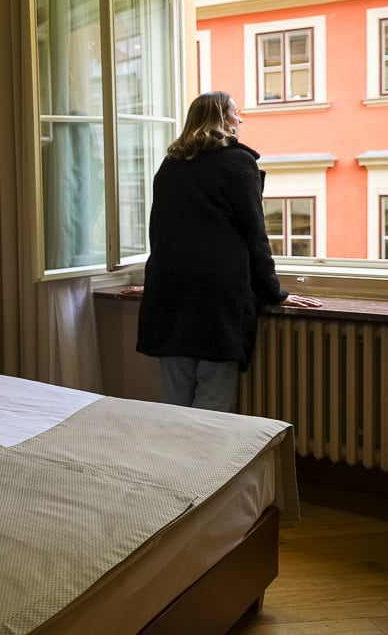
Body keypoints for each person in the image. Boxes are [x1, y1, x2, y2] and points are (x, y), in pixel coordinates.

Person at [130, 91, 321, 412]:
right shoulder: (238, 163)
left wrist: (155, 281)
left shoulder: (171, 165)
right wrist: (274, 293)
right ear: (221, 118)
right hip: (217, 295)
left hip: (171, 291)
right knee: (213, 403)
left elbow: (158, 232)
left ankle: (175, 448)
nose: (240, 119)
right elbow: (255, 235)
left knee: (175, 402)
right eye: (235, 113)